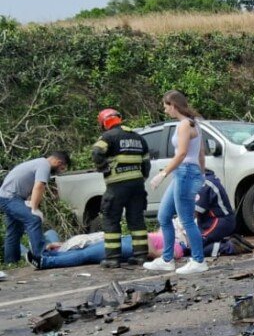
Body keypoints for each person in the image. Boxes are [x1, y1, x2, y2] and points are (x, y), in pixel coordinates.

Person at [144, 90, 209, 275]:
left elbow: (181, 154)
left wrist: (162, 174)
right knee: (163, 216)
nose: (165, 111)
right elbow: (201, 153)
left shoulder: (184, 125)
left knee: (187, 219)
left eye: (166, 107)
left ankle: (198, 260)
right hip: (187, 172)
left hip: (186, 172)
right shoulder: (194, 124)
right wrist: (202, 175)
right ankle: (167, 259)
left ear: (173, 105)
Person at [92, 108, 151, 268]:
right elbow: (146, 163)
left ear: (104, 123)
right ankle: (141, 256)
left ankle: (113, 258)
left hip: (117, 186)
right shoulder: (138, 137)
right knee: (137, 220)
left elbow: (97, 152)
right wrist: (140, 179)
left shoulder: (108, 136)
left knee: (111, 219)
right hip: (137, 186)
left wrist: (103, 167)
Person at [0, 151, 70, 265]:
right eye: (61, 168)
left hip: (8, 196)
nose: (60, 170)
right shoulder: (44, 166)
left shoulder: (38, 163)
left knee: (14, 230)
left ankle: (11, 262)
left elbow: (31, 188)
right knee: (33, 219)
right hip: (10, 197)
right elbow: (39, 186)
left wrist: (30, 203)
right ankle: (41, 255)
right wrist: (34, 208)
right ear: (58, 162)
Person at [31, 229, 184, 270]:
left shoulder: (178, 246)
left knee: (85, 254)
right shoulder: (165, 233)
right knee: (84, 249)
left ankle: (46, 262)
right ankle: (48, 255)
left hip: (131, 246)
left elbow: (157, 254)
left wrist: (147, 239)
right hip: (127, 239)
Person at [195, 169, 237, 257]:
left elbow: (195, 212)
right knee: (194, 244)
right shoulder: (208, 180)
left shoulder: (205, 184)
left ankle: (229, 247)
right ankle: (223, 242)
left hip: (219, 221)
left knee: (196, 248)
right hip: (213, 220)